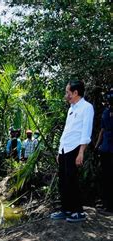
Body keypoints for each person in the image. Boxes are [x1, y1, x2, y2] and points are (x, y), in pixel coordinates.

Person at [51, 80, 94, 223]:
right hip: (65, 149)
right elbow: (66, 131)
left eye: (67, 92)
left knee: (72, 180)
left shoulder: (87, 108)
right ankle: (66, 209)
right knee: (63, 181)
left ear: (75, 93)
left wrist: (81, 152)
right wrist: (59, 151)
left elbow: (86, 131)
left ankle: (78, 212)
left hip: (75, 149)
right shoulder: (71, 108)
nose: (66, 95)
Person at [94, 88, 113, 213]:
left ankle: (108, 205)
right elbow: (101, 130)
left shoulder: (106, 112)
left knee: (108, 177)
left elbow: (102, 131)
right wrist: (97, 146)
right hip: (106, 149)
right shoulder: (106, 112)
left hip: (107, 148)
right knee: (106, 177)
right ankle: (107, 204)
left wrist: (97, 146)